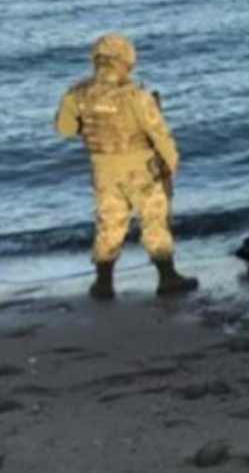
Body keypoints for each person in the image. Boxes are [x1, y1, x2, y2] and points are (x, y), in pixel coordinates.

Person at [55, 34, 199, 300]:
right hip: (141, 168)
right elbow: (159, 135)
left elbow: (64, 129)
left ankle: (103, 284)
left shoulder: (77, 94)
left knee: (109, 224)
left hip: (103, 170)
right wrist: (172, 163)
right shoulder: (137, 96)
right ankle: (167, 279)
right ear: (126, 60)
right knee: (154, 222)